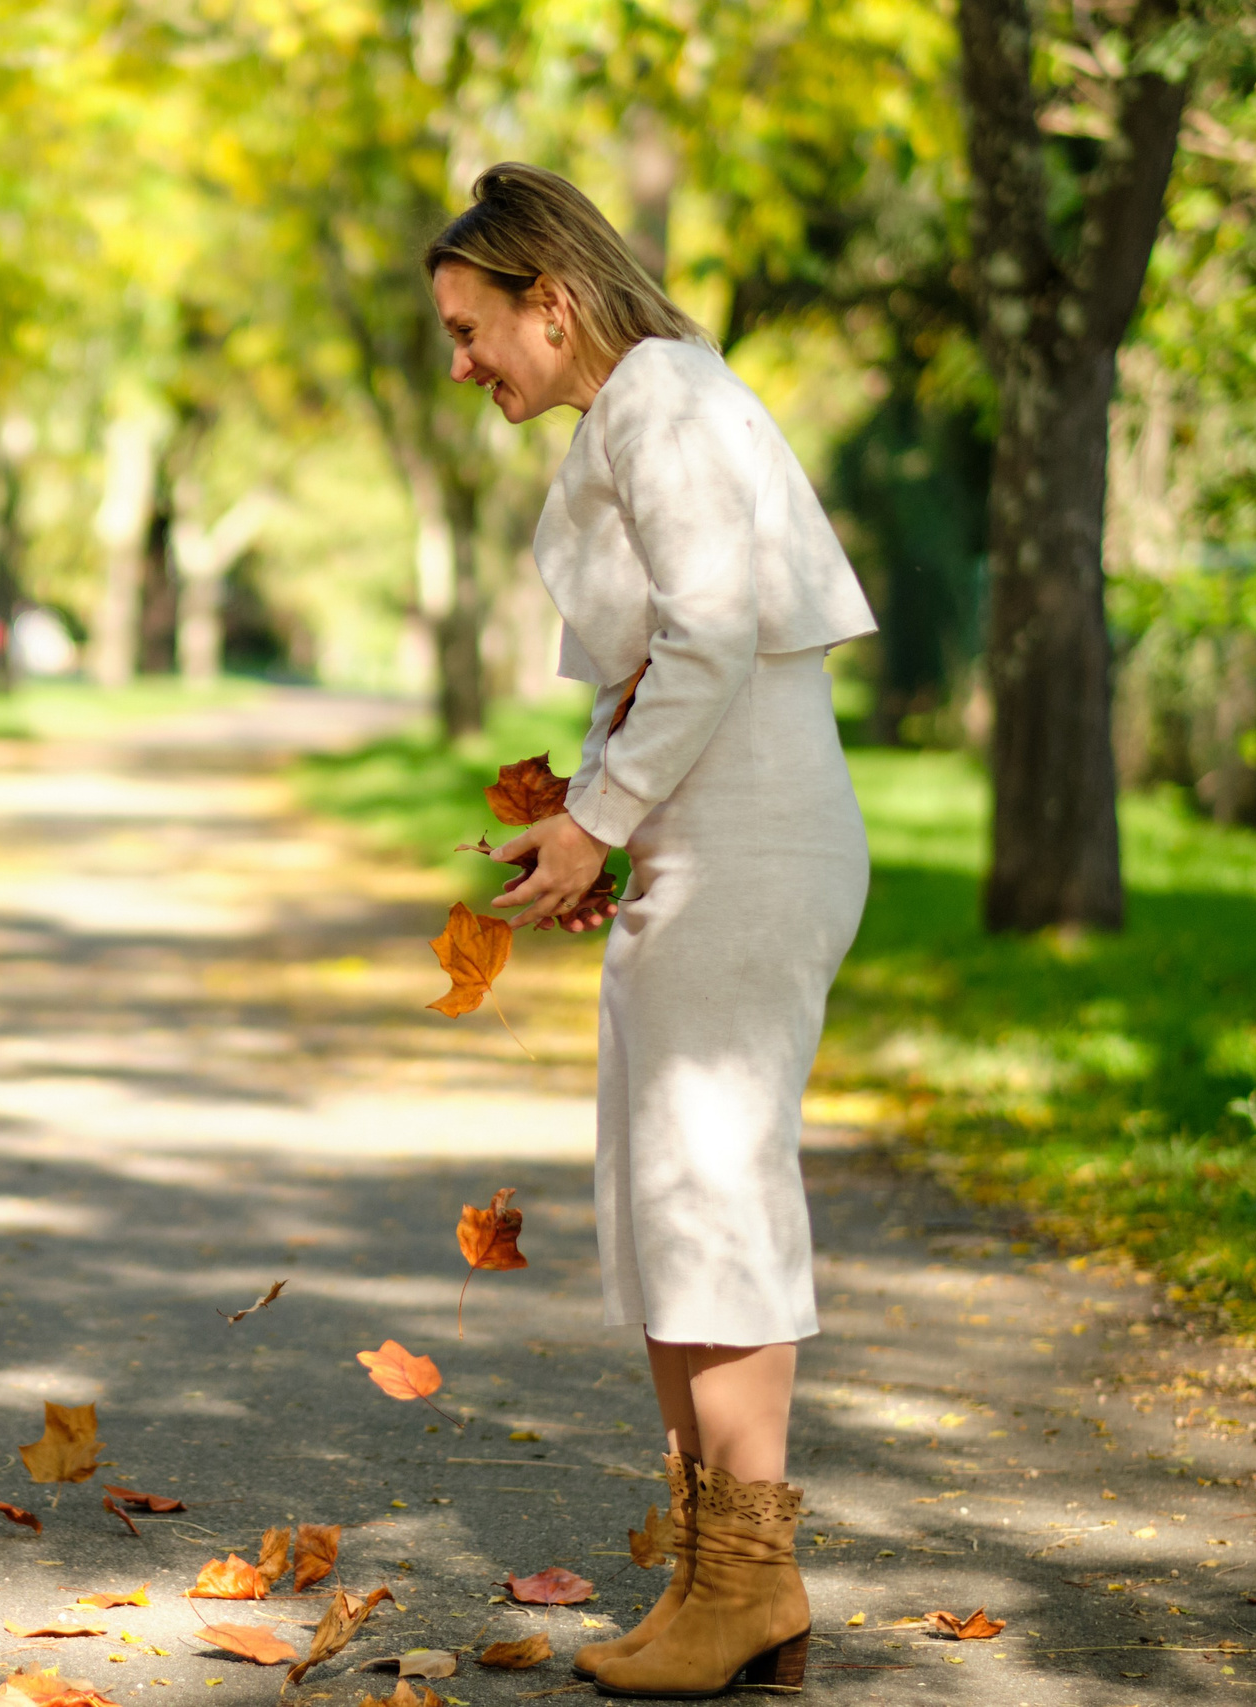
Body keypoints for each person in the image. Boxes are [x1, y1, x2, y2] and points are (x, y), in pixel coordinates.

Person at [425, 163, 876, 1699]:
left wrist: (601, 813)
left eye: (472, 327)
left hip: (747, 839)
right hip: (708, 834)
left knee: (715, 1186)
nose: (465, 362)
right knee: (666, 1199)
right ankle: (716, 1579)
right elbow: (679, 649)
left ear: (551, 298)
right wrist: (600, 814)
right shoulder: (639, 409)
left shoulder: (664, 393)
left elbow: (717, 619)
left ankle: (751, 1576)